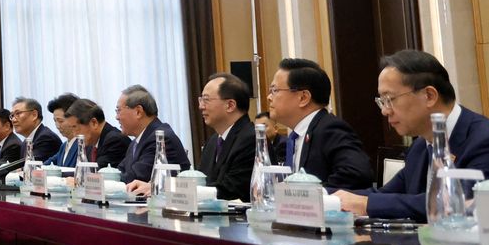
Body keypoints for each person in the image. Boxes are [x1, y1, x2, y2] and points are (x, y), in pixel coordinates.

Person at [335, 49, 489, 220]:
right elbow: (383, 194)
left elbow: (458, 205)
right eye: (381, 102)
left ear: (429, 96)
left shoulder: (486, 140)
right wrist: (325, 195)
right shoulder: (420, 146)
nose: (384, 111)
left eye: (389, 99)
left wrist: (367, 205)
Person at [266, 58, 371, 190]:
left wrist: (312, 196)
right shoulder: (297, 135)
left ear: (303, 98)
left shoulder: (329, 128)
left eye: (275, 90)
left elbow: (357, 174)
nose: (269, 97)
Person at [116, 85, 190, 192]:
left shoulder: (161, 138)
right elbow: (119, 173)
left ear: (138, 112)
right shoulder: (135, 143)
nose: (117, 117)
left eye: (119, 111)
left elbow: (134, 178)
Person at [199, 72, 256, 201]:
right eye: (201, 99)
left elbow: (233, 191)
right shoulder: (213, 141)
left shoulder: (252, 139)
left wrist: (187, 194)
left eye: (206, 100)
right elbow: (203, 182)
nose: (201, 106)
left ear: (230, 105)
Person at [65, 98, 129, 167]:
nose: (75, 135)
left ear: (94, 123)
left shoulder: (115, 141)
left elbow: (98, 173)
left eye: (75, 127)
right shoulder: (91, 144)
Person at [10, 97, 62, 161]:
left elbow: (32, 166)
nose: (13, 120)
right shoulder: (25, 142)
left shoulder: (45, 138)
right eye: (12, 115)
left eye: (18, 113)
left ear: (34, 115)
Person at [47, 93, 80, 166]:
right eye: (55, 121)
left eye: (60, 121)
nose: (57, 126)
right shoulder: (64, 146)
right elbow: (47, 165)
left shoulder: (83, 145)